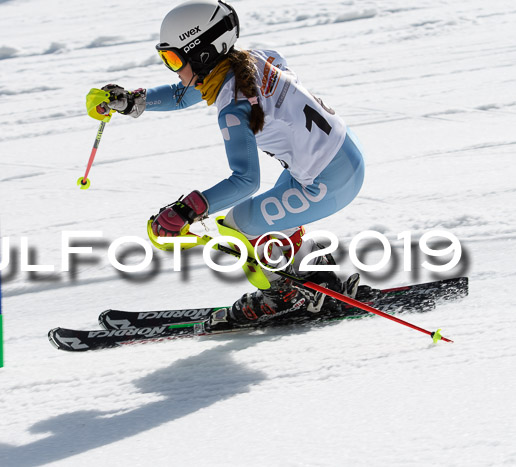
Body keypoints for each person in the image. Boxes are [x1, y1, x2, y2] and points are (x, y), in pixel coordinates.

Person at [89, 0, 365, 327]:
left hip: (326, 181)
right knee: (270, 219)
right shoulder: (253, 58)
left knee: (238, 227)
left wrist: (186, 210)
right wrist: (135, 101)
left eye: (173, 58)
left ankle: (283, 299)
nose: (173, 68)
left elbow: (246, 181)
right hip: (342, 156)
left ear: (202, 55)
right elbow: (185, 93)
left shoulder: (234, 108)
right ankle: (320, 280)